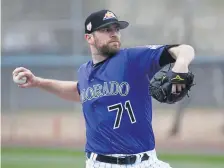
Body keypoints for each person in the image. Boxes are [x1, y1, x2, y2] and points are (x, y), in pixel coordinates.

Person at [12, 9, 195, 168]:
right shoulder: (84, 71)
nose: (114, 33)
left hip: (145, 162)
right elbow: (79, 91)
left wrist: (180, 67)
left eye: (116, 29)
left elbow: (184, 49)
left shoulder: (131, 59)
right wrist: (38, 82)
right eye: (106, 30)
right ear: (89, 37)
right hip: (99, 163)